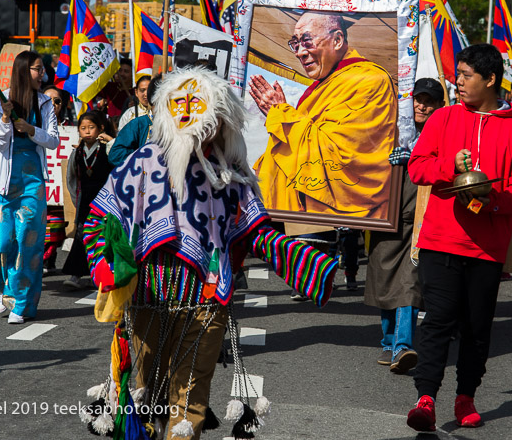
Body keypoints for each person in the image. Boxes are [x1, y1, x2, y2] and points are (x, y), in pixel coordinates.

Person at [80, 67, 339, 439]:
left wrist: (308, 265)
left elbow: (258, 233)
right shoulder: (140, 164)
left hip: (206, 302)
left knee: (189, 403)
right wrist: (104, 264)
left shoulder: (231, 173)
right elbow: (99, 219)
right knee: (145, 397)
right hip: (147, 299)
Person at [406, 44, 512, 432]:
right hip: (440, 240)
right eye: (457, 74)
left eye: (465, 76)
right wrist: (450, 167)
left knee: (477, 327)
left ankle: (466, 397)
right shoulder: (443, 119)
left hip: (487, 248)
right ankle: (425, 399)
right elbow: (417, 167)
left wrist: (490, 199)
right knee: (438, 321)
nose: (458, 82)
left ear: (490, 79)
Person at [248, 11, 397, 219]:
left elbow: (337, 153)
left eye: (307, 41)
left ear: (337, 40)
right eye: (296, 43)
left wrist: (282, 115)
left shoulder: (370, 80)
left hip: (330, 220)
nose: (300, 52)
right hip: (293, 214)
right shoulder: (324, 85)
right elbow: (306, 138)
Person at [365, 77, 445, 375]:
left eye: (430, 101)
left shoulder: (443, 134)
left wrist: (416, 160)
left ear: (439, 106)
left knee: (409, 283)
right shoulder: (391, 129)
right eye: (418, 99)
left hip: (420, 219)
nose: (422, 105)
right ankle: (388, 341)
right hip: (386, 216)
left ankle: (402, 346)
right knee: (385, 278)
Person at [0, 51, 59, 324]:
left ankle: (21, 302)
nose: (43, 75)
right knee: (4, 241)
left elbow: (52, 140)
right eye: (38, 70)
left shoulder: (45, 103)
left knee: (28, 239)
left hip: (32, 183)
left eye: (42, 70)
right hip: (3, 184)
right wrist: (4, 119)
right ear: (25, 71)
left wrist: (30, 129)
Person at [63, 109, 114, 289]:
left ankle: (98, 274)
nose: (86, 131)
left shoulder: (107, 149)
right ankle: (76, 274)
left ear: (100, 128)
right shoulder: (77, 153)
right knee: (81, 236)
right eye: (83, 128)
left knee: (101, 236)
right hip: (84, 198)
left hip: (104, 198)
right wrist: (75, 196)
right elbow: (71, 178)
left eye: (91, 127)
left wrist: (110, 140)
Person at [41, 85, 70, 275]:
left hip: (59, 189)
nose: (53, 105)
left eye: (57, 101)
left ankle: (48, 256)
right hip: (39, 185)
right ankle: (43, 258)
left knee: (57, 225)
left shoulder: (69, 130)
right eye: (47, 100)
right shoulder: (33, 126)